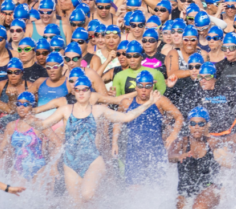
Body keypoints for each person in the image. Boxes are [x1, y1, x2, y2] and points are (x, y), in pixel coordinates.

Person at [33, 76, 160, 204]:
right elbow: (42, 125)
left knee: (87, 195)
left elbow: (126, 117)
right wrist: (27, 117)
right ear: (74, 91)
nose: (81, 93)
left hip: (93, 160)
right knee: (77, 204)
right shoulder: (65, 110)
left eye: (85, 89)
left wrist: (149, 102)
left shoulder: (99, 110)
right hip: (70, 162)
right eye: (78, 90)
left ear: (90, 91)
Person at [169, 107, 231, 209]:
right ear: (188, 125)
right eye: (193, 123)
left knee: (198, 207)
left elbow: (231, 142)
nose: (196, 127)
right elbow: (170, 156)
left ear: (207, 125)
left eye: (201, 124)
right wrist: (179, 156)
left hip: (208, 187)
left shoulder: (212, 143)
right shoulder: (181, 142)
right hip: (185, 190)